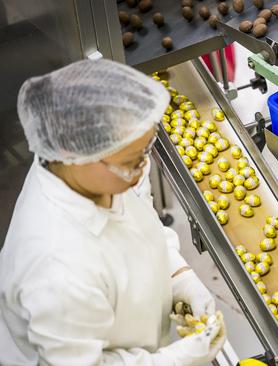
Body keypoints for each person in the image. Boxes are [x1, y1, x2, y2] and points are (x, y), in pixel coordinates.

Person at [0, 59, 226, 365]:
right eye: (133, 160)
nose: (143, 166)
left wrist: (178, 276)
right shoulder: (56, 268)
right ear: (76, 156)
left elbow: (137, 221)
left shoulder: (86, 170)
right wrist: (181, 359)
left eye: (147, 150)